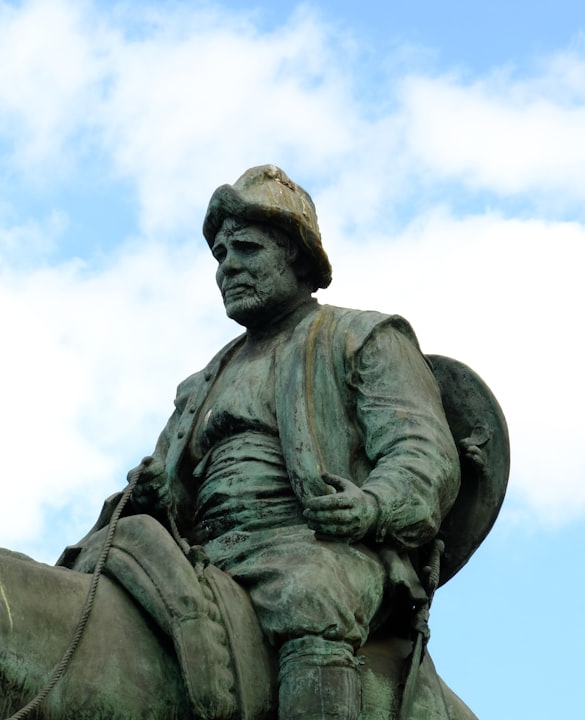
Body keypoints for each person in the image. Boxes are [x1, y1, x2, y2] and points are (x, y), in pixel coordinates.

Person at [115, 165, 462, 720]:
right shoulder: (202, 382)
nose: (226, 267)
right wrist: (158, 493)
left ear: (296, 256)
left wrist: (371, 506)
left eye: (246, 249)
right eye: (220, 255)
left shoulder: (363, 336)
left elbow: (423, 454)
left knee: (309, 594)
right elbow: (174, 488)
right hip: (204, 554)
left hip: (317, 547)